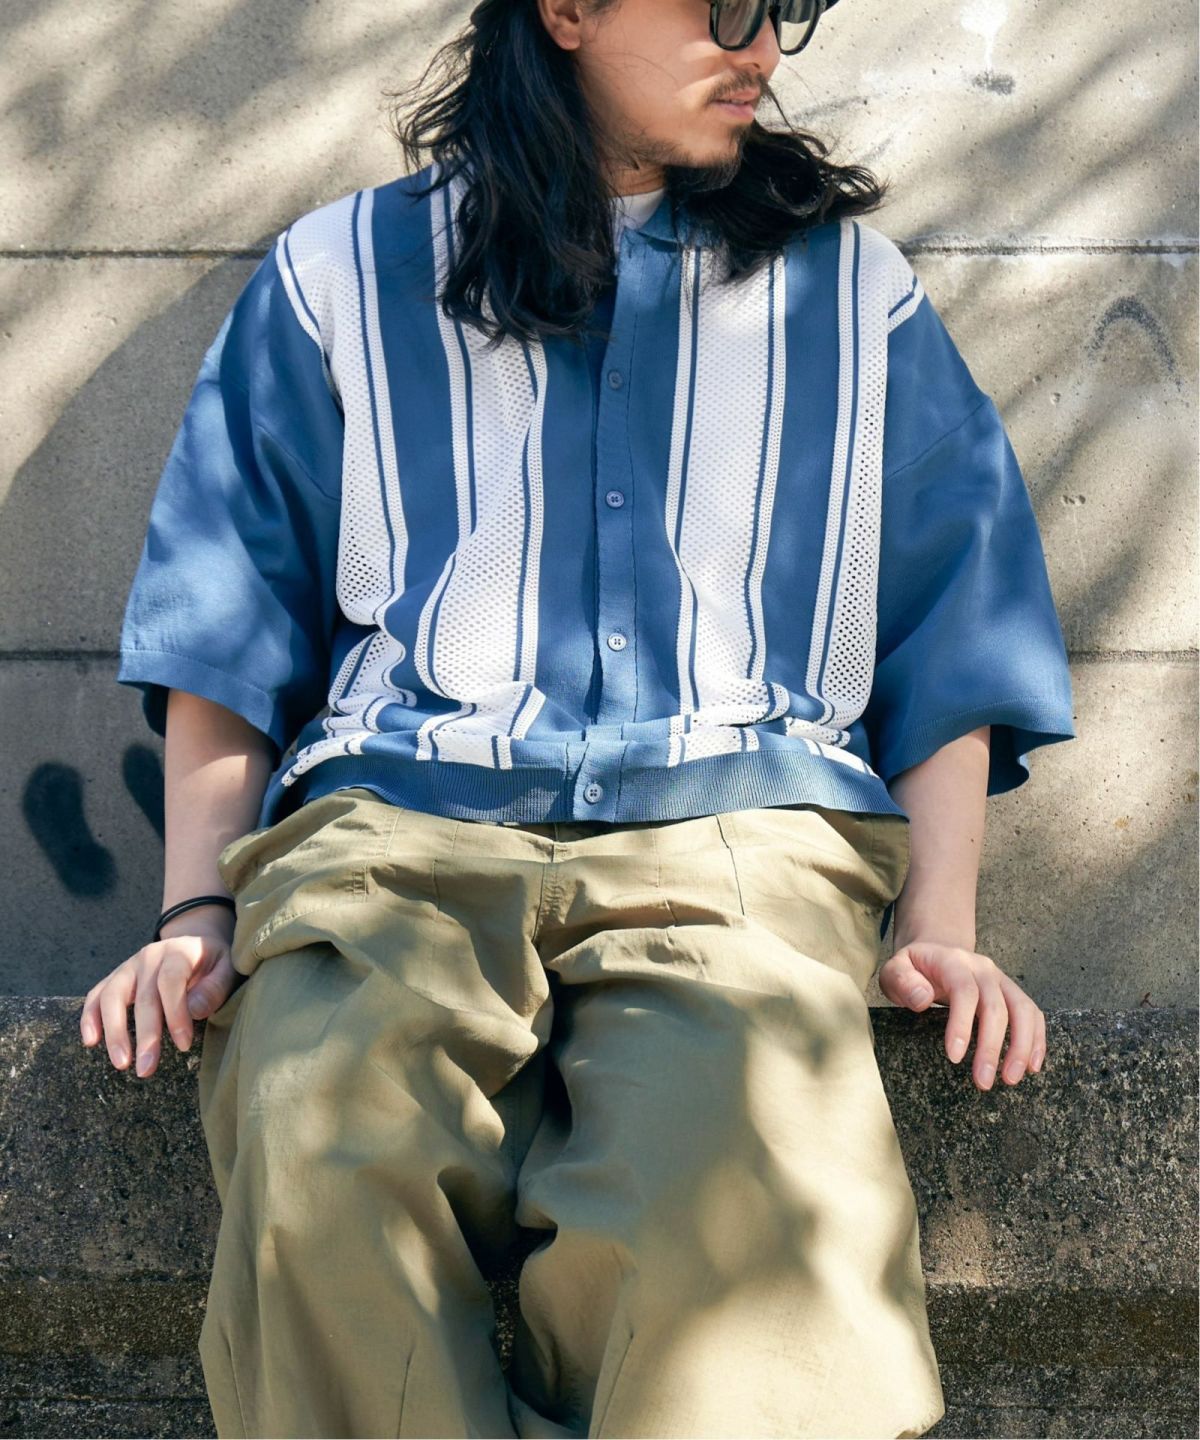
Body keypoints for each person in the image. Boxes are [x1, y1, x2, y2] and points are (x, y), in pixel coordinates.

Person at [80, 1, 1076, 1435]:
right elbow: (229, 614)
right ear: (566, 8)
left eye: (786, 5)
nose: (764, 48)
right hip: (393, 832)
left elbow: (955, 622)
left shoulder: (855, 298)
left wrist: (942, 929)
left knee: (744, 1208)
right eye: (723, 3)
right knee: (319, 1159)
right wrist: (196, 913)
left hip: (740, 843)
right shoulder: (340, 276)